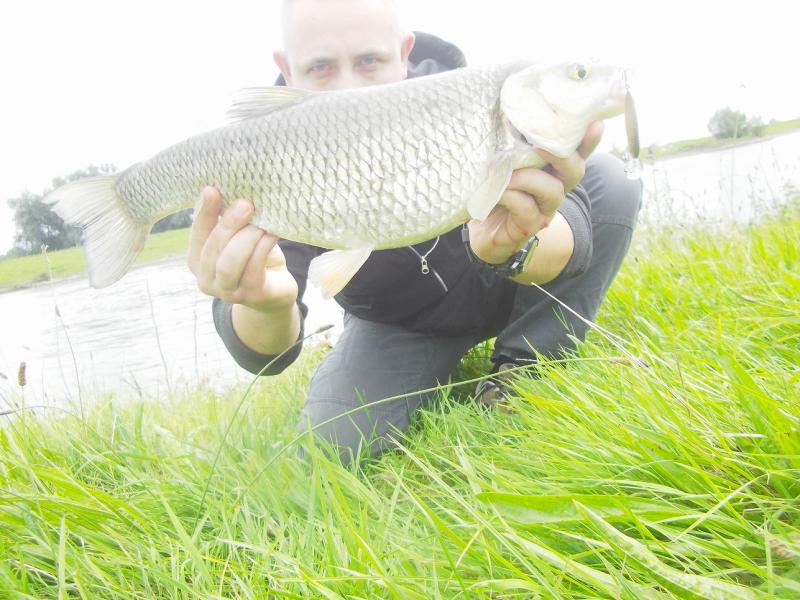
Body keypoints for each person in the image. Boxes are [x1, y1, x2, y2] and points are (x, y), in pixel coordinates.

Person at [187, 0, 642, 463]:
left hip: (503, 288)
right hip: (398, 323)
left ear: (404, 53)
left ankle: (525, 367)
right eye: (321, 67)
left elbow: (575, 234)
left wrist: (514, 244)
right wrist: (265, 304)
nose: (348, 88)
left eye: (369, 60)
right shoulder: (272, 154)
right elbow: (263, 353)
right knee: (332, 449)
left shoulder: (489, 100)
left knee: (611, 180)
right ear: (287, 71)